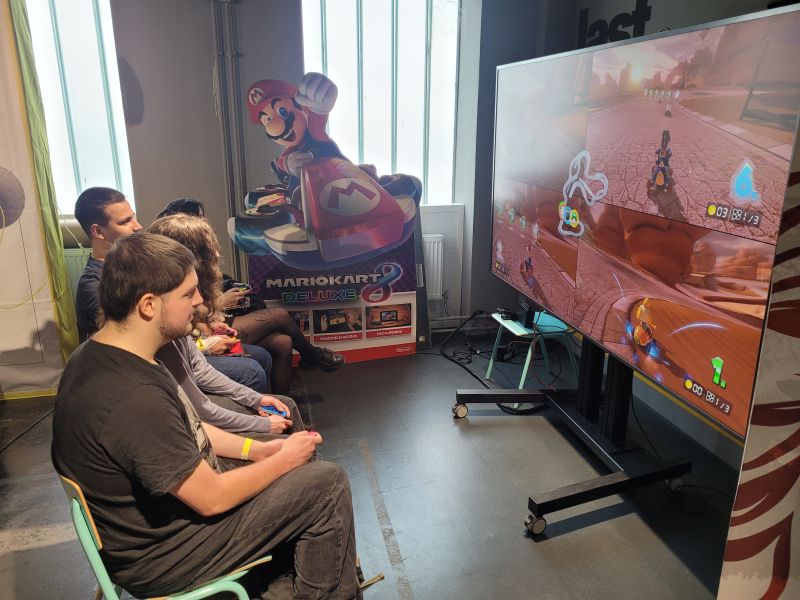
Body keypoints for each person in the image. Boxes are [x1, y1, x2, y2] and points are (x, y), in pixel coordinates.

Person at [52, 232, 362, 599]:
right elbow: (211, 498)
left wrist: (260, 450)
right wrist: (283, 461)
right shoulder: (132, 395)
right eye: (188, 294)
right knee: (327, 484)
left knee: (289, 455)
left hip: (156, 525)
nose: (199, 301)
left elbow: (189, 429)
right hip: (168, 555)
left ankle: (296, 580)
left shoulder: (101, 355)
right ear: (149, 305)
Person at [73, 187, 273, 394]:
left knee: (263, 355)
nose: (137, 226)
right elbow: (137, 346)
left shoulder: (136, 266)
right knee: (251, 371)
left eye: (134, 217)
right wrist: (204, 346)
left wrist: (207, 331)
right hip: (145, 370)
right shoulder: (94, 287)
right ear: (98, 231)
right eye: (125, 222)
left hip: (178, 350)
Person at [149, 211, 344, 395]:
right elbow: (186, 337)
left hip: (209, 331)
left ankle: (283, 403)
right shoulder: (172, 283)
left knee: (282, 342)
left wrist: (214, 322)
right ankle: (312, 356)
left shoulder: (191, 277)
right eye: (208, 249)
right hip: (202, 342)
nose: (217, 255)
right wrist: (216, 316)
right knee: (279, 316)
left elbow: (200, 320)